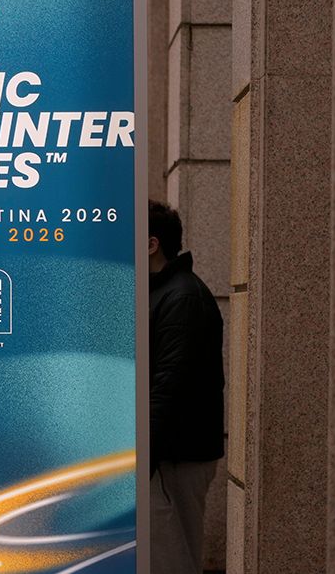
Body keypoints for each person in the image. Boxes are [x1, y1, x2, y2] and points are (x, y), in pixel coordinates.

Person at [148, 200, 225, 574]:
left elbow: (168, 386)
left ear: (152, 244)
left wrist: (140, 457)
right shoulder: (164, 292)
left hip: (175, 454)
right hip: (168, 450)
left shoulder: (181, 297)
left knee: (171, 559)